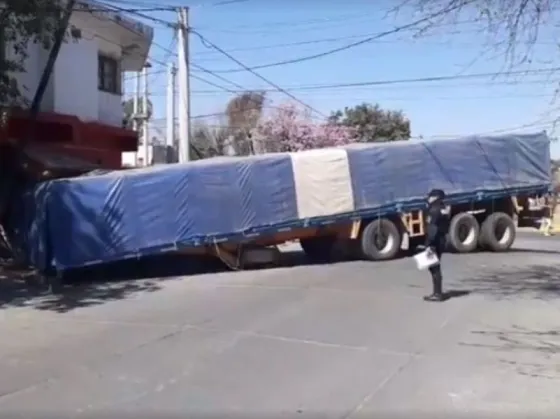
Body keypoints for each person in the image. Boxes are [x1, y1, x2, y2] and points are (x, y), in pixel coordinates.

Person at [423, 188, 449, 302]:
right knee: (434, 266)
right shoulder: (443, 208)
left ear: (436, 197)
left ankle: (437, 294)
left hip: (434, 242)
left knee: (433, 267)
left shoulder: (434, 210)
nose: (428, 198)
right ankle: (437, 292)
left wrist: (427, 244)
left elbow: (432, 229)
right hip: (441, 240)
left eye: (430, 196)